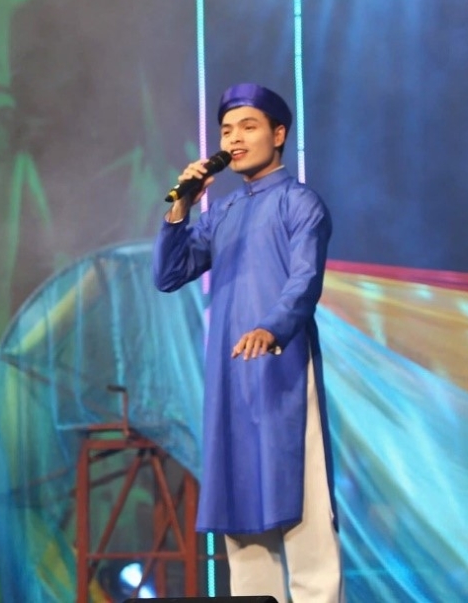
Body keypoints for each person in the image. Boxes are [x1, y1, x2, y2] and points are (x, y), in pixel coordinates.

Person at [152, 83, 343, 602]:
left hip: (283, 370)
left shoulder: (300, 203)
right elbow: (168, 274)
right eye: (226, 130)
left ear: (278, 135)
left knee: (303, 513)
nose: (234, 139)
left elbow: (304, 280)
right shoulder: (224, 213)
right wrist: (182, 206)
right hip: (230, 377)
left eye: (248, 127)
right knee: (242, 517)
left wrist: (272, 328)